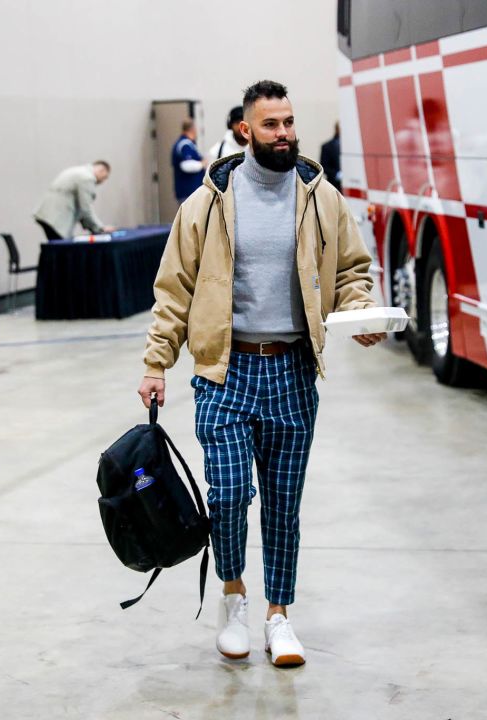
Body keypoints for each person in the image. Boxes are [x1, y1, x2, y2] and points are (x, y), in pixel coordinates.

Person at [137, 80, 385, 668]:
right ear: (246, 130)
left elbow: (352, 269)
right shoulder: (206, 204)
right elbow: (173, 291)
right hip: (224, 373)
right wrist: (155, 362)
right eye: (271, 125)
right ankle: (233, 598)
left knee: (282, 501)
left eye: (290, 122)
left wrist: (357, 312)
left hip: (293, 372)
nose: (285, 134)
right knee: (226, 497)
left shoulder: (320, 197)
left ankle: (279, 615)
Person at [34, 161, 114, 240]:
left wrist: (93, 227)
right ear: (101, 170)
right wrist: (101, 228)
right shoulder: (87, 178)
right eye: (104, 178)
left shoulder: (79, 171)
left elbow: (82, 210)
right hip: (56, 219)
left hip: (49, 215)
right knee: (60, 249)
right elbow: (86, 208)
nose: (102, 182)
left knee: (56, 247)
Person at [171, 119, 205, 202]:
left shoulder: (187, 143)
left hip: (191, 192)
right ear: (192, 129)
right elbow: (186, 165)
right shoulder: (185, 144)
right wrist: (202, 164)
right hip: (189, 192)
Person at [319, 121, 341, 191]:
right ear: (337, 129)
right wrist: (337, 174)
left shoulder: (352, 145)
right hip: (335, 186)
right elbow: (323, 166)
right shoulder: (327, 146)